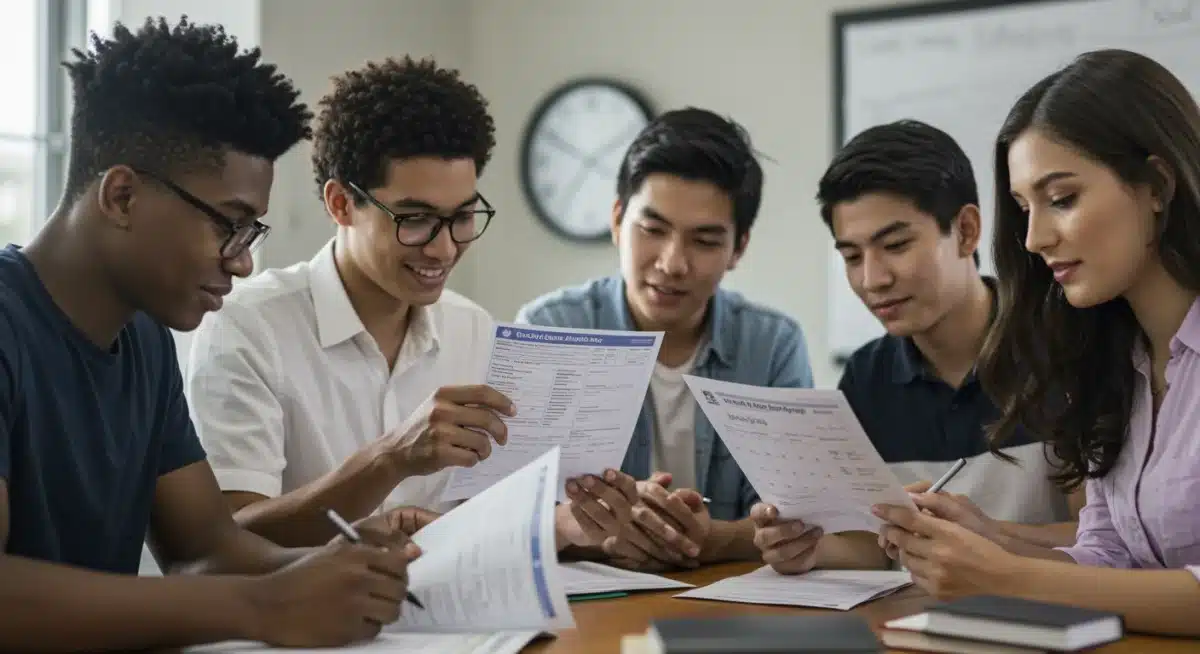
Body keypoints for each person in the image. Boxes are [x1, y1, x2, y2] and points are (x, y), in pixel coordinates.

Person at [0, 17, 426, 651]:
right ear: (122, 197)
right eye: (229, 225)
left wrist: (341, 567)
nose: (243, 262)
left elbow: (204, 548)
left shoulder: (144, 339)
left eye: (252, 232)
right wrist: (264, 605)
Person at [186, 56, 635, 551]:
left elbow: (485, 523)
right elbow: (229, 541)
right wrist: (390, 460)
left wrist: (565, 524)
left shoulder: (473, 330)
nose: (443, 249)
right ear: (341, 204)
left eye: (462, 217)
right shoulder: (250, 326)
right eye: (415, 219)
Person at [874, 49, 1200, 637]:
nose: (1033, 238)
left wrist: (1004, 576)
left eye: (1063, 199)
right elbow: (1111, 559)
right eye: (1024, 208)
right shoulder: (1112, 364)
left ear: (1156, 185)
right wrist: (987, 541)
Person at [753, 120, 1083, 575]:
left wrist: (988, 536)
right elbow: (872, 546)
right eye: (852, 257)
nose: (873, 279)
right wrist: (808, 550)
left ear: (966, 230)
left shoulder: (1066, 348)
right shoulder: (867, 377)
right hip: (912, 614)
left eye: (895, 245)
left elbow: (1106, 541)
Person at [517, 107, 815, 571]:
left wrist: (713, 540)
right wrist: (596, 534)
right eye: (653, 230)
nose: (672, 263)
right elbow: (511, 511)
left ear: (738, 248)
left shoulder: (774, 345)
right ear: (617, 221)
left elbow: (795, 517)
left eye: (705, 241)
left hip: (727, 597)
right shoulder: (551, 329)